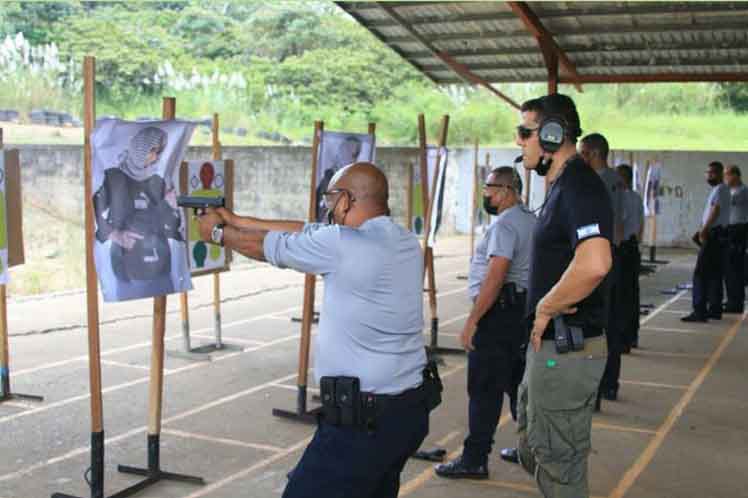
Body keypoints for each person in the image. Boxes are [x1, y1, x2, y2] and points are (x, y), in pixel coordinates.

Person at [196, 162, 433, 498]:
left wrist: (219, 233)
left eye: (331, 198)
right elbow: (307, 229)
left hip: (362, 421)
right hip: (406, 410)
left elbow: (265, 248)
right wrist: (238, 220)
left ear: (347, 200)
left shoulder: (342, 243)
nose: (328, 207)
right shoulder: (405, 240)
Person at [501, 93, 612, 498]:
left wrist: (547, 306)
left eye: (525, 132)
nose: (519, 141)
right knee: (536, 447)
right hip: (553, 348)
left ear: (551, 135)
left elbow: (595, 262)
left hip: (566, 348)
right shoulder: (563, 185)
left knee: (559, 464)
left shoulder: (580, 187)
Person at [434, 166, 535, 480]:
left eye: (489, 189)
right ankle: (530, 450)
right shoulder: (531, 220)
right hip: (521, 313)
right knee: (519, 386)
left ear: (506, 190)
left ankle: (475, 458)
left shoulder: (505, 226)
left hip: (499, 316)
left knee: (484, 389)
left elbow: (496, 275)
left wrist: (473, 321)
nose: (485, 195)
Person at [93, 126, 182, 300]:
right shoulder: (114, 178)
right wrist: (115, 235)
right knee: (130, 319)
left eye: (159, 152)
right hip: (128, 267)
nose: (156, 157)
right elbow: (93, 210)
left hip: (160, 266)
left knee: (165, 312)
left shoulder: (158, 180)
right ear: (140, 149)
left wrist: (173, 207)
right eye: (152, 151)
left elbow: (172, 225)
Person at [579, 133, 625, 404]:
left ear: (594, 154)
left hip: (599, 257)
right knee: (608, 324)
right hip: (610, 255)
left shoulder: (598, 182)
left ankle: (597, 387)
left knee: (597, 325)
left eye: (583, 152)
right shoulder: (615, 181)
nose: (581, 157)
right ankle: (607, 384)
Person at [682, 161, 731, 322]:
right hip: (717, 234)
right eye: (707, 173)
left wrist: (704, 230)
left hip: (714, 235)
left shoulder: (720, 189)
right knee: (714, 273)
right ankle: (715, 309)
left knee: (701, 274)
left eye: (711, 173)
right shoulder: (720, 190)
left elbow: (715, 210)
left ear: (718, 174)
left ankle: (700, 310)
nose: (708, 176)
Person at [617, 164, 644, 351]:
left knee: (621, 295)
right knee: (632, 294)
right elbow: (640, 224)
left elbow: (619, 222)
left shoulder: (622, 198)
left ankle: (623, 339)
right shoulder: (636, 197)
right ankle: (632, 336)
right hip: (633, 247)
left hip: (623, 247)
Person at [723, 165, 748, 313]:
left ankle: (736, 303)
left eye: (727, 175)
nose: (726, 178)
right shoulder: (730, 190)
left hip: (738, 230)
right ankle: (732, 300)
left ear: (736, 176)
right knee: (729, 269)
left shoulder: (743, 191)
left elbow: (727, 201)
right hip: (731, 229)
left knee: (735, 268)